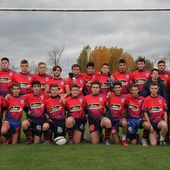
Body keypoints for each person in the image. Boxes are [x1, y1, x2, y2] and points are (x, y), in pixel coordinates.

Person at [85, 80, 112, 145]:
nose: (95, 89)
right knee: (95, 142)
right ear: (91, 88)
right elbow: (84, 109)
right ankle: (100, 134)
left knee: (107, 122)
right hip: (92, 121)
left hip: (101, 119)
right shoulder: (86, 98)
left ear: (99, 89)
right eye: (94, 87)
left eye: (97, 87)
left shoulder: (103, 97)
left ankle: (107, 140)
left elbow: (108, 107)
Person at [107, 81, 128, 146]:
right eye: (115, 88)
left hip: (120, 118)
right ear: (113, 89)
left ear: (121, 88)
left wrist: (124, 116)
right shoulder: (110, 95)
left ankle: (124, 140)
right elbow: (106, 106)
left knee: (124, 123)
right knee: (116, 142)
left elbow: (127, 107)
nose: (117, 89)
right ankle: (113, 133)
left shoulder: (125, 97)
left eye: (118, 87)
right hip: (112, 119)